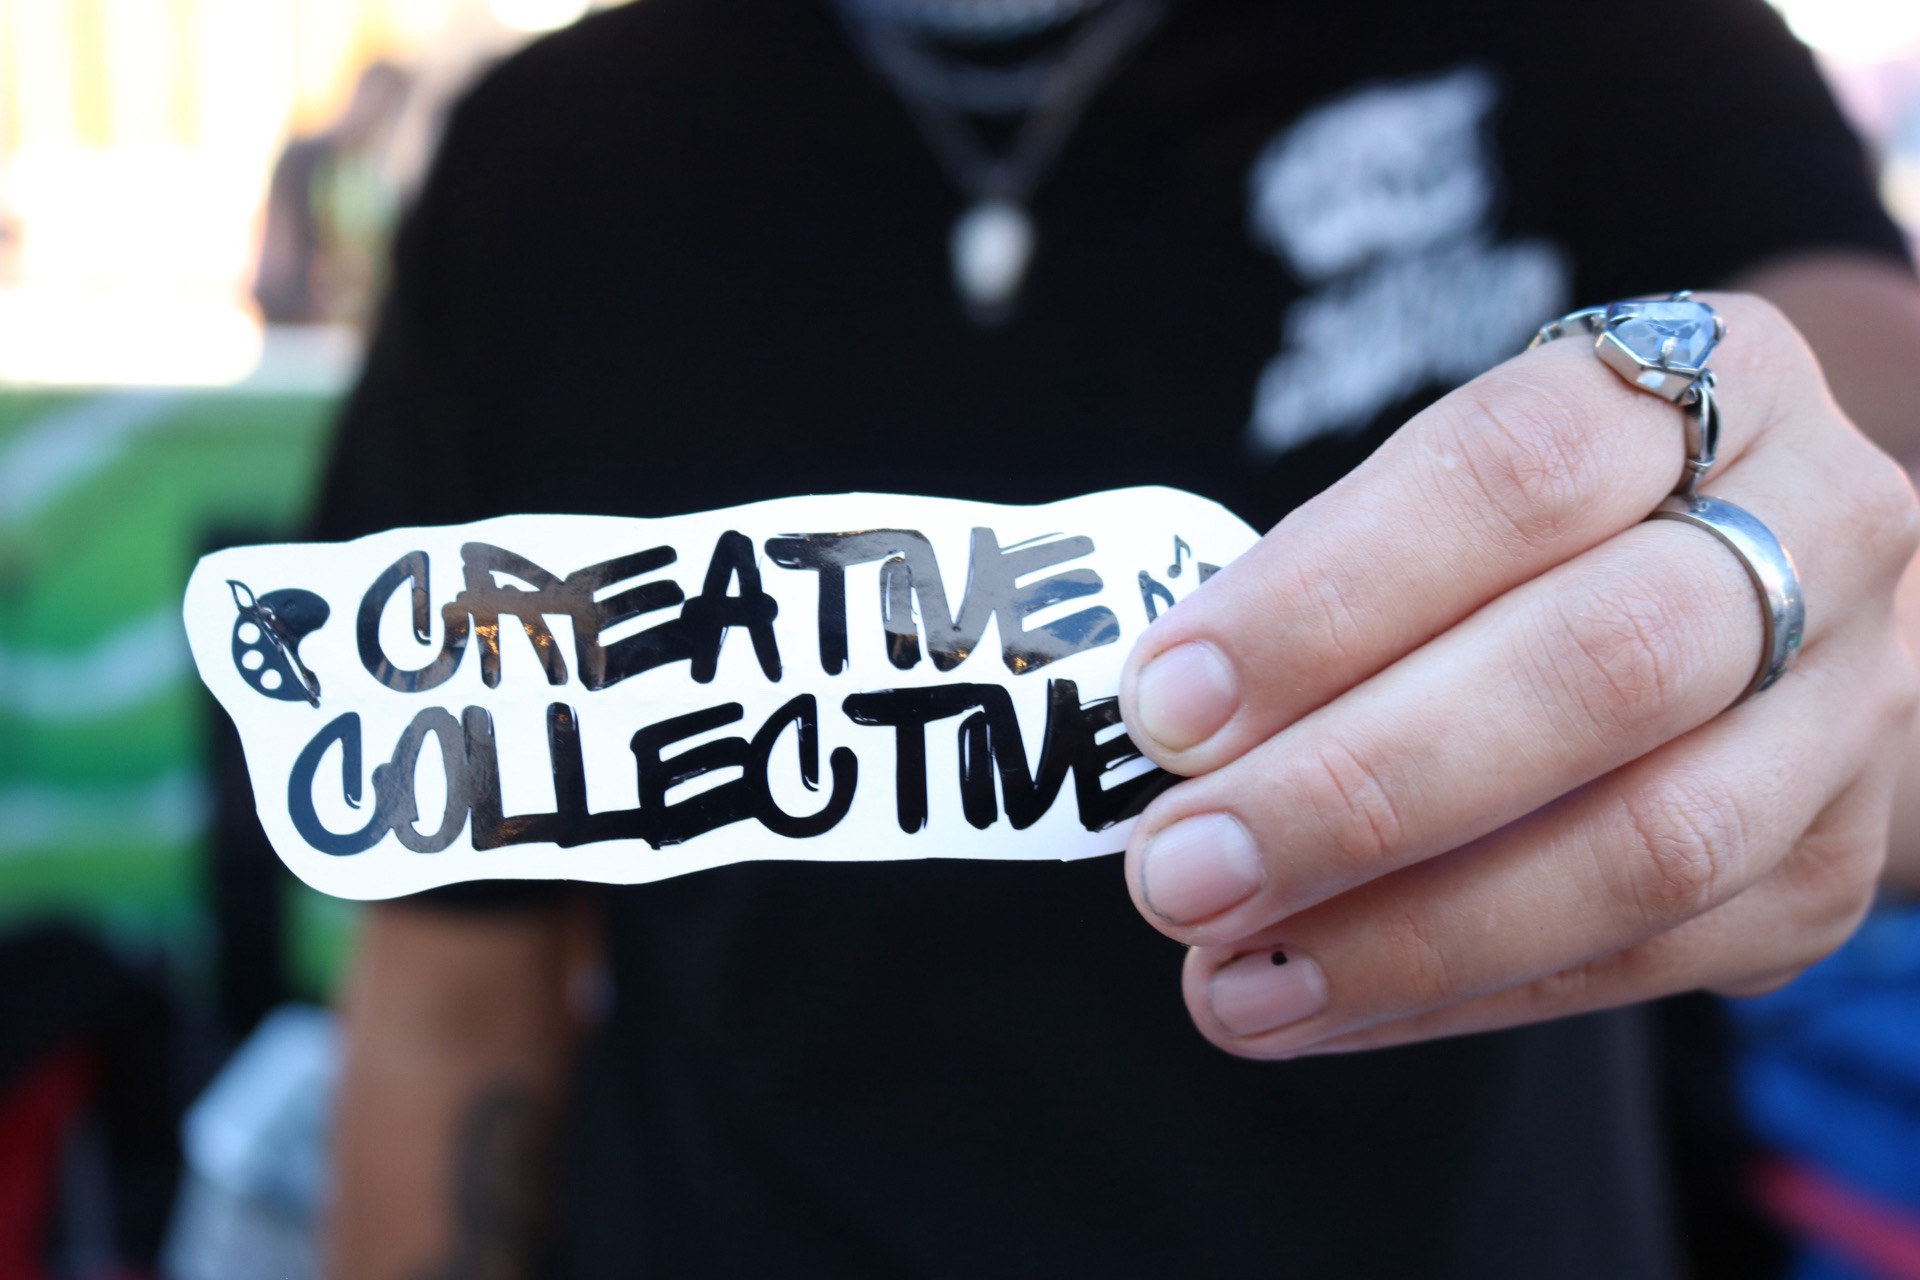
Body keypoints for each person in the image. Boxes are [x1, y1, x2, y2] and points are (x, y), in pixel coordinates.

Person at [311, 0, 1920, 1275]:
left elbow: (1870, 477)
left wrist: (1829, 609)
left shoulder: (1594, 40)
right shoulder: (554, 160)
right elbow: (454, 993)